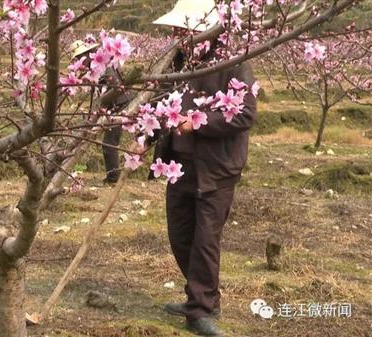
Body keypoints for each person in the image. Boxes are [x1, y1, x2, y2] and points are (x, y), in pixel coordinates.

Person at [152, 1, 258, 336]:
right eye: (175, 29)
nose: (176, 34)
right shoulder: (177, 60)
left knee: (205, 240)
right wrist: (146, 132)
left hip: (217, 167)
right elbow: (159, 104)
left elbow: (244, 114)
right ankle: (200, 295)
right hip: (178, 164)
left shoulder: (233, 62)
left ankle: (201, 309)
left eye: (182, 29)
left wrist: (197, 124)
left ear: (200, 30)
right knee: (180, 234)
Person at [69, 40, 134, 184]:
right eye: (78, 59)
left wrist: (103, 104)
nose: (80, 62)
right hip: (115, 105)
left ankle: (113, 178)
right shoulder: (97, 68)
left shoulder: (104, 68)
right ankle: (113, 177)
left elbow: (115, 88)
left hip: (121, 105)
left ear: (87, 55)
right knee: (109, 142)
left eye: (81, 58)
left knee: (109, 142)